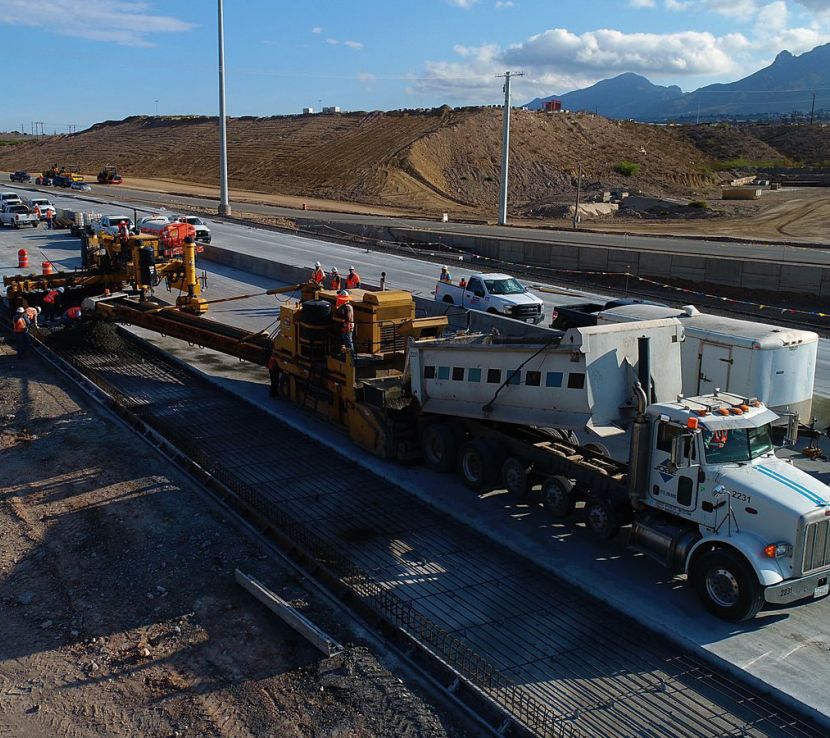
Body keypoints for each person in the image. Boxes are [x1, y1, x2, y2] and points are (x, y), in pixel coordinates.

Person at [336, 290, 354, 356]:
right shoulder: (347, 306)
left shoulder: (347, 307)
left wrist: (336, 319)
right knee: (346, 341)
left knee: (348, 342)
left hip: (347, 327)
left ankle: (351, 356)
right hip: (346, 327)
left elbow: (347, 319)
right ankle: (347, 355)